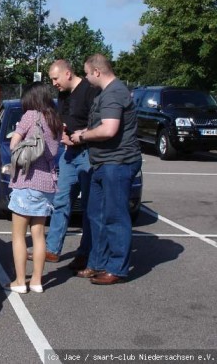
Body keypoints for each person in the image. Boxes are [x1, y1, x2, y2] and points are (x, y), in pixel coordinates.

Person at [70, 54, 142, 285]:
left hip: (117, 163)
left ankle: (117, 268)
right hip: (102, 163)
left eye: (88, 73)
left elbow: (109, 130)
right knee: (95, 215)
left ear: (97, 72)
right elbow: (101, 126)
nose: (87, 78)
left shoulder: (113, 93)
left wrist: (82, 136)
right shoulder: (105, 93)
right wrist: (82, 133)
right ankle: (97, 263)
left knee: (115, 216)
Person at [42, 60, 100, 270]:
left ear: (67, 74)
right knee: (61, 200)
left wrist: (79, 137)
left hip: (87, 153)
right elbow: (63, 119)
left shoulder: (89, 90)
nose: (54, 83)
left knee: (88, 207)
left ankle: (85, 254)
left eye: (55, 79)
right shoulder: (64, 94)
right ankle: (52, 249)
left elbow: (97, 123)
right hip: (69, 154)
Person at [5, 83, 62, 293]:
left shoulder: (31, 116)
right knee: (38, 235)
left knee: (18, 235)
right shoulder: (55, 119)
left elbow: (13, 145)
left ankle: (20, 281)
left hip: (27, 181)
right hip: (47, 184)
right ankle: (37, 281)